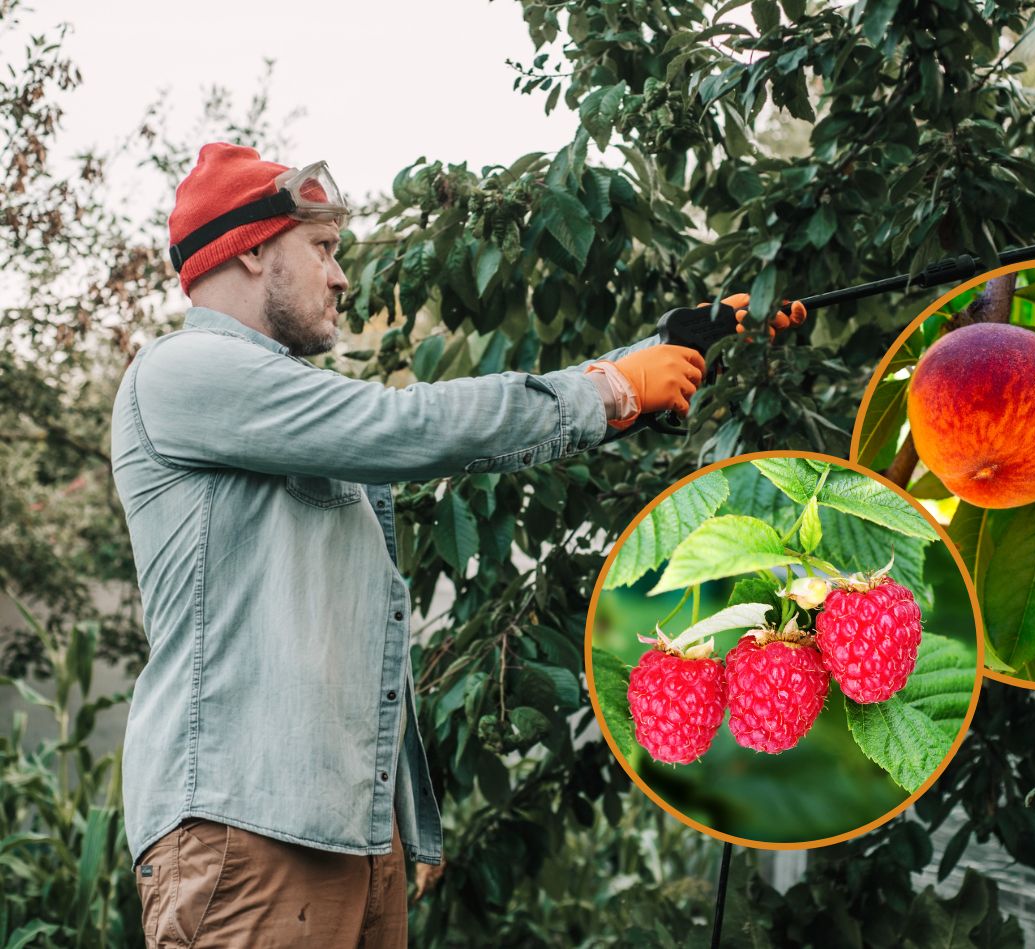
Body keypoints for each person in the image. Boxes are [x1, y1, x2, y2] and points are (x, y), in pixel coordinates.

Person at [110, 143, 800, 947]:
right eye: (324, 250)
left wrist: (672, 350)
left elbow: (440, 435)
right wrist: (609, 390)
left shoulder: (287, 411)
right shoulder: (184, 371)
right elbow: (405, 425)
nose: (341, 279)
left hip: (353, 840)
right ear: (254, 248)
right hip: (248, 832)